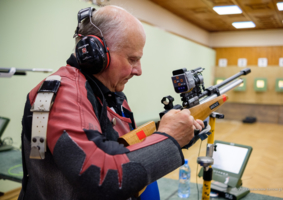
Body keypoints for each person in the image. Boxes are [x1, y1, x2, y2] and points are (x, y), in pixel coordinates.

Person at [18, 5, 204, 200]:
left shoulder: (110, 94)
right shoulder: (63, 92)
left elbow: (126, 149)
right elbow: (101, 176)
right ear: (95, 53)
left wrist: (178, 134)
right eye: (132, 59)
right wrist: (168, 138)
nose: (138, 70)